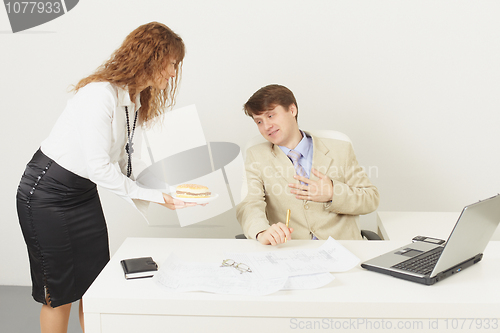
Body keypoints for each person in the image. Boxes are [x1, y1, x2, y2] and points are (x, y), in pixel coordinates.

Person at [16, 22, 197, 333]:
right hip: (46, 193)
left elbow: (129, 160)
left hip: (81, 194)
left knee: (95, 286)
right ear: (150, 57)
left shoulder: (135, 99)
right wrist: (156, 197)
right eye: (170, 63)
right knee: (58, 294)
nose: (172, 72)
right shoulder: (99, 94)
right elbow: (100, 167)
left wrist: (168, 190)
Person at [236, 84, 380, 245]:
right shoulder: (256, 156)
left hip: (343, 247)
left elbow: (370, 198)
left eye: (271, 116)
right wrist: (261, 232)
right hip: (291, 250)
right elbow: (250, 204)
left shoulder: (340, 149)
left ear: (292, 110)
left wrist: (333, 193)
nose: (266, 126)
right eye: (259, 121)